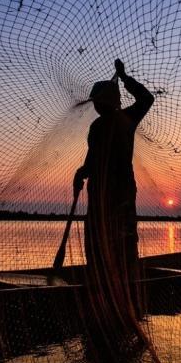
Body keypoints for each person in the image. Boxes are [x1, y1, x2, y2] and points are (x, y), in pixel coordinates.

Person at [74, 59, 154, 321]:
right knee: (98, 241)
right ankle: (102, 287)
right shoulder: (97, 127)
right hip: (99, 194)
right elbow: (92, 159)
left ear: (109, 101)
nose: (96, 106)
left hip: (119, 195)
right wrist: (81, 172)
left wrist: (124, 76)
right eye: (95, 102)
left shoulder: (126, 118)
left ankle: (122, 290)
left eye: (98, 101)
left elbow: (146, 98)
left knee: (122, 239)